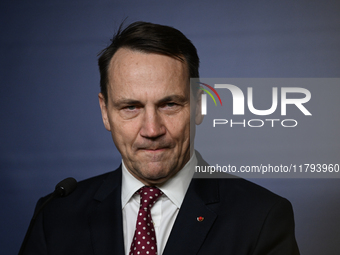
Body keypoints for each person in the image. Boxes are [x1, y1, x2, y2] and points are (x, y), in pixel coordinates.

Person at [21, 21, 299, 255]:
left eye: (169, 105)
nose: (152, 130)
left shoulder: (261, 217)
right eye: (131, 107)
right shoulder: (55, 215)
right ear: (105, 112)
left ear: (199, 106)